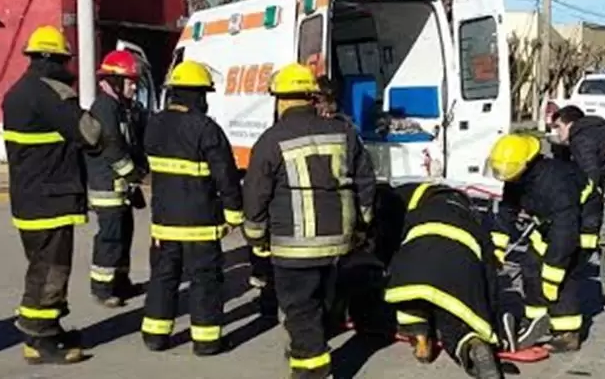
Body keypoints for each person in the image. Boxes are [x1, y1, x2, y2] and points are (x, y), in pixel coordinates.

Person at [242, 62, 377, 379]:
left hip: (293, 246)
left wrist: (256, 237)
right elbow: (365, 180)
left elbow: (256, 193)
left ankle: (312, 367)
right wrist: (362, 225)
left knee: (299, 306)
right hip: (338, 241)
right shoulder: (344, 132)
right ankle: (315, 342)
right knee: (322, 297)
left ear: (281, 100)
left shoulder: (271, 140)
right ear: (312, 97)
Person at [2, 25, 102, 364]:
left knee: (41, 265)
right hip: (51, 198)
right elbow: (90, 134)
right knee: (50, 271)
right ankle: (40, 339)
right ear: (57, 60)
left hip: (29, 197)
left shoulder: (16, 92)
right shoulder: (51, 93)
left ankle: (50, 328)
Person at [141, 60, 243, 356]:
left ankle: (155, 335)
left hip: (163, 222)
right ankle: (206, 340)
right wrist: (234, 214)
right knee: (204, 280)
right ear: (197, 95)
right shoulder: (206, 128)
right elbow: (225, 175)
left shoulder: (154, 124)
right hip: (201, 224)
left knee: (163, 277)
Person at [383, 182, 521, 379]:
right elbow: (489, 276)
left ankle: (420, 338)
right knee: (452, 322)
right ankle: (471, 343)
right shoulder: (474, 222)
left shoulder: (416, 211)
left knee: (411, 296)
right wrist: (489, 319)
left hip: (413, 269)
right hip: (457, 272)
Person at [486, 133, 602, 352]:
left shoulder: (555, 182)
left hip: (580, 227)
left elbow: (565, 231)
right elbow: (507, 211)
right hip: (550, 224)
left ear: (527, 163)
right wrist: (495, 249)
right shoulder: (518, 178)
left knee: (560, 276)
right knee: (531, 265)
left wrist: (552, 272)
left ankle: (567, 333)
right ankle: (537, 320)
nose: (506, 178)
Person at [86, 50, 148, 308]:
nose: (134, 87)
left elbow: (131, 142)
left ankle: (121, 282)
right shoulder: (105, 107)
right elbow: (112, 147)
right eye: (130, 82)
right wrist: (133, 172)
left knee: (124, 234)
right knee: (110, 237)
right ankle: (102, 288)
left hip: (120, 186)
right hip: (107, 186)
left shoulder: (121, 107)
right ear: (115, 81)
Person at [552, 104, 605, 309]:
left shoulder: (580, 140)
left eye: (558, 127)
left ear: (570, 124)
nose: (557, 132)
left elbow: (590, 175)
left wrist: (576, 201)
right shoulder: (595, 130)